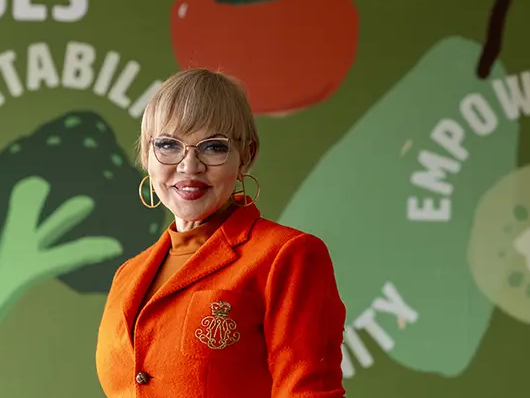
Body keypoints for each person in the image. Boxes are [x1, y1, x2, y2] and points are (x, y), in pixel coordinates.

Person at [95, 68, 347, 398]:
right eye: (168, 145)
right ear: (146, 156)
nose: (189, 166)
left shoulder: (287, 255)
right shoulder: (128, 275)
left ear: (246, 156)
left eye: (213, 147)